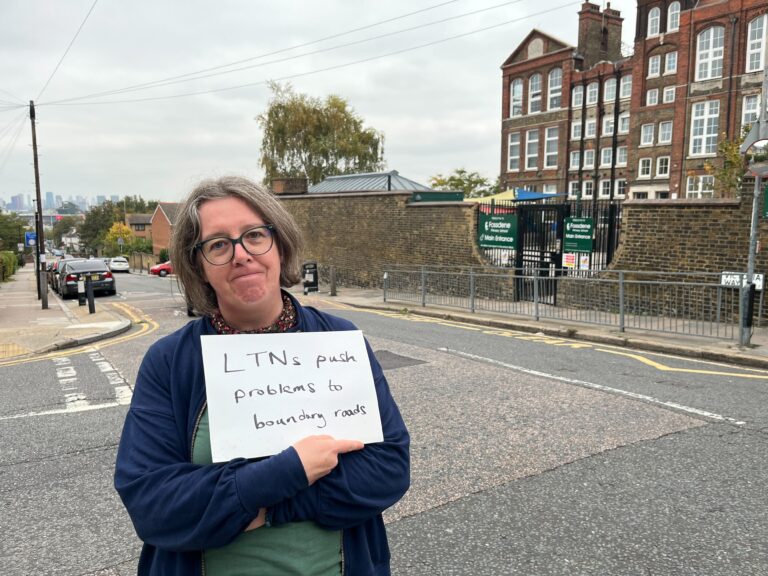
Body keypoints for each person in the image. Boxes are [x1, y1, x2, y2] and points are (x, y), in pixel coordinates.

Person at [114, 176, 410, 576]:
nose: (241, 254)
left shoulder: (339, 339)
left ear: (279, 245)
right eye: (218, 245)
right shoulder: (169, 362)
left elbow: (389, 468)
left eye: (254, 235)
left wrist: (266, 507)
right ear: (199, 266)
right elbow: (152, 504)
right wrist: (287, 472)